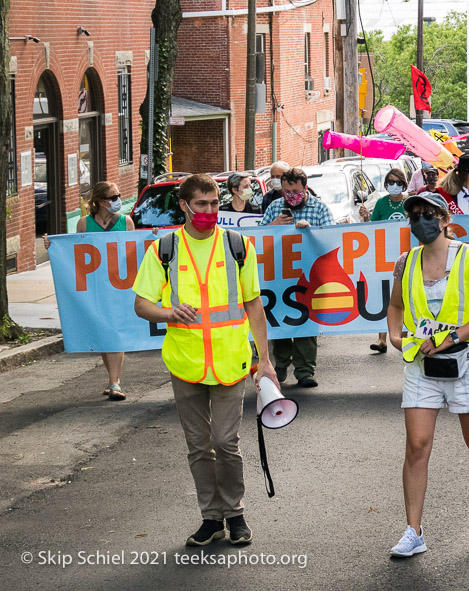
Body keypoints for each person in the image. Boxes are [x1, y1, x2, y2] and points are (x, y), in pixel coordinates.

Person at [132, 173, 278, 547]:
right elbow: (141, 304)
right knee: (199, 447)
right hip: (186, 363)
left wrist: (265, 360)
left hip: (230, 361)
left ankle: (237, 514)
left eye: (214, 204)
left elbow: (253, 305)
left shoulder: (237, 246)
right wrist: (169, 314)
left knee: (226, 443)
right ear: (184, 205)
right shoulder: (163, 249)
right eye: (201, 204)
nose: (209, 211)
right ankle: (211, 518)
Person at [386, 191, 469, 557]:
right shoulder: (406, 262)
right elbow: (394, 305)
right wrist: (394, 336)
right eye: (414, 216)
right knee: (417, 446)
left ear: (443, 220)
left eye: (427, 214)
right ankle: (413, 530)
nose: (420, 221)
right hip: (422, 365)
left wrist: (451, 336)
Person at [44, 181, 134, 401]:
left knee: (115, 332)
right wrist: (52, 246)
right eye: (114, 197)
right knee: (104, 333)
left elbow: (135, 250)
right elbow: (75, 252)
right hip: (95, 288)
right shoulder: (84, 224)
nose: (118, 200)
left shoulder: (126, 222)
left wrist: (152, 236)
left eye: (119, 196)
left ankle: (115, 383)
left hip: (119, 288)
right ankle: (113, 379)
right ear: (101, 201)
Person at [261, 167, 335, 387]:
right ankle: (281, 365)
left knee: (306, 322)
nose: (290, 195)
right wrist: (274, 226)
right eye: (286, 191)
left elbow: (331, 239)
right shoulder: (275, 207)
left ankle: (305, 371)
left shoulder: (319, 208)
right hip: (280, 275)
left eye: (294, 190)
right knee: (280, 321)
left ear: (304, 188)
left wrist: (311, 231)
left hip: (309, 275)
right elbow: (258, 236)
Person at [367, 168, 409, 353]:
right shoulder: (381, 203)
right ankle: (382, 339)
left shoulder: (409, 203)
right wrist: (364, 216)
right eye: (391, 182)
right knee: (385, 296)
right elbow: (374, 227)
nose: (394, 185)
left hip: (406, 255)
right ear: (385, 184)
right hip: (385, 256)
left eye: (398, 182)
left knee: (407, 296)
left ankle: (406, 336)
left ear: (404, 184)